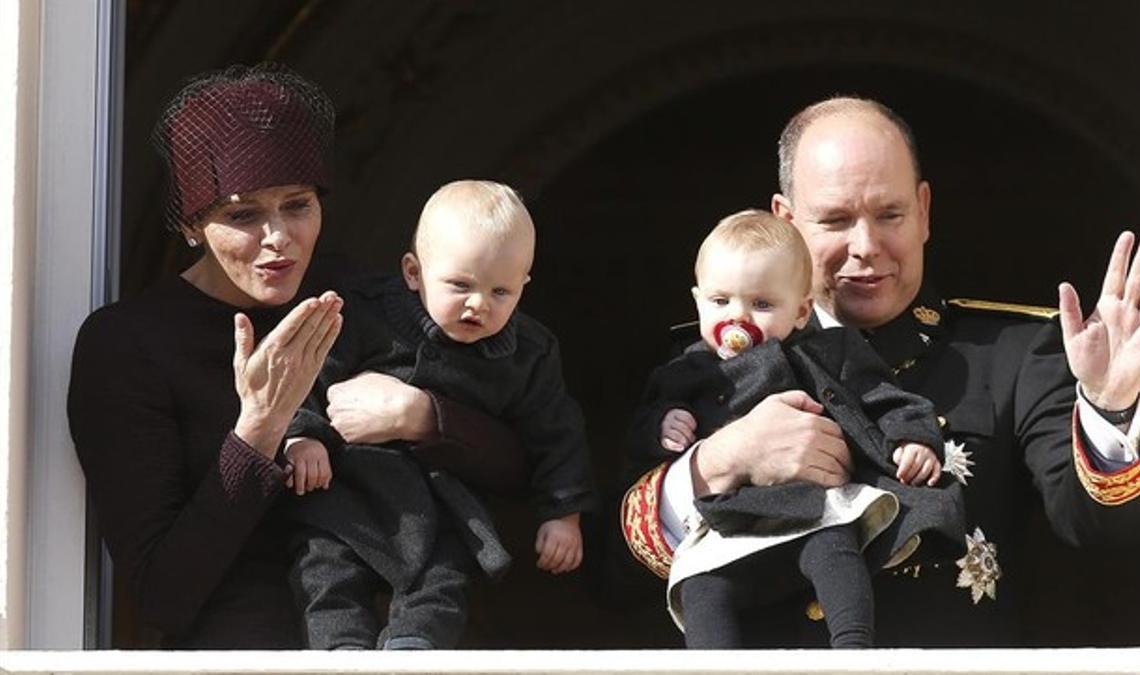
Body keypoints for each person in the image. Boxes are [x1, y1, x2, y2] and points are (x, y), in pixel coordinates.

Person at [620, 96, 1140, 646]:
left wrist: (1111, 404)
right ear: (787, 221)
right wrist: (720, 461)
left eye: (889, 214)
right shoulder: (707, 364)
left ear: (924, 212)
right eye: (836, 220)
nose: (866, 246)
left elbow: (1109, 532)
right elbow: (610, 577)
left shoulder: (1013, 353)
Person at [67, 65, 524, 649]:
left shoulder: (360, 298)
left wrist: (423, 416)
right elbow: (162, 593)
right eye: (242, 215)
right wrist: (258, 431)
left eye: (297, 204)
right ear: (191, 224)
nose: (277, 236)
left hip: (404, 644)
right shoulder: (130, 345)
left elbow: (519, 464)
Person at [629, 209, 965, 648]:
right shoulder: (685, 369)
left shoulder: (828, 353)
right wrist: (664, 424)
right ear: (697, 300)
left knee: (835, 552)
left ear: (802, 310)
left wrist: (913, 438)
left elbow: (885, 397)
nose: (738, 317)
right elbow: (641, 433)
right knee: (702, 587)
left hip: (814, 506)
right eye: (720, 301)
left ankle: (853, 650)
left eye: (763, 304)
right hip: (731, 519)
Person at [284, 179, 595, 649]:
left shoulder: (528, 353)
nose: (479, 304)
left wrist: (563, 512)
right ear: (413, 272)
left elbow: (555, 430)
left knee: (444, 581)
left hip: (445, 503)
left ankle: (414, 649)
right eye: (460, 285)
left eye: (501, 292)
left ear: (524, 288)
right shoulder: (363, 314)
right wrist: (302, 438)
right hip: (349, 489)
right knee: (324, 570)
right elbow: (307, 376)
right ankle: (339, 652)